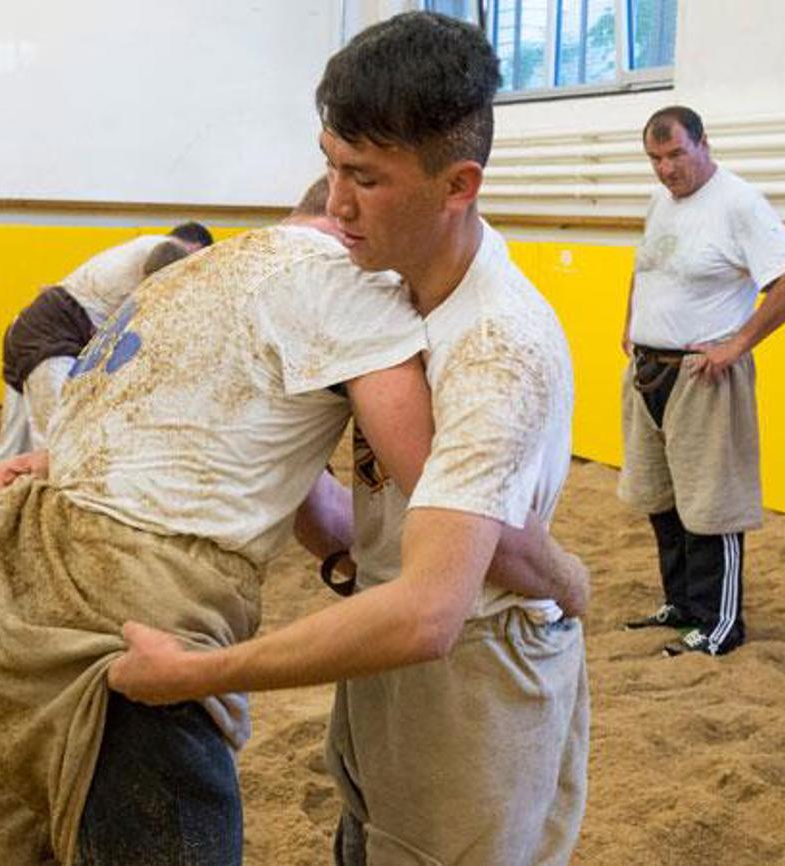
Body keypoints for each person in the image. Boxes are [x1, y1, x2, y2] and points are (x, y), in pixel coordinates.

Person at [0, 179, 579, 866]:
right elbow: (455, 503)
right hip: (127, 611)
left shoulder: (199, 273)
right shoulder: (345, 281)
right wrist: (568, 580)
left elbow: (283, 486)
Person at [109, 13, 589, 865]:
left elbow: (432, 613)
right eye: (331, 165)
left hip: (470, 658)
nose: (336, 202)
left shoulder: (496, 346)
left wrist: (193, 676)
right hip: (384, 630)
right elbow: (373, 515)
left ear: (458, 185)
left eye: (366, 177)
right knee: (365, 839)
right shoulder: (385, 296)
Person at [619, 105, 785, 657]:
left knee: (711, 504)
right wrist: (630, 323)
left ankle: (719, 622)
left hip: (702, 375)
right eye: (655, 158)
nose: (665, 169)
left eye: (676, 154)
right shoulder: (659, 201)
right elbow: (644, 266)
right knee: (661, 499)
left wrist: (735, 345)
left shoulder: (739, 203)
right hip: (648, 370)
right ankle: (681, 604)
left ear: (704, 145)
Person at [0, 223, 210, 556]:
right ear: (194, 249)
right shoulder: (166, 252)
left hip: (33, 328)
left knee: (15, 450)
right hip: (51, 339)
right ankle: (43, 549)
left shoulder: (139, 257)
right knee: (61, 449)